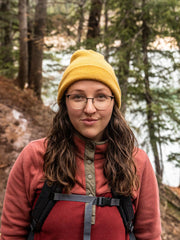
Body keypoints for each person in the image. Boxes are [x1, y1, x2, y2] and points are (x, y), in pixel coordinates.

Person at [0, 49, 161, 240]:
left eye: (101, 96)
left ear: (113, 103)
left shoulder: (137, 163)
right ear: (64, 103)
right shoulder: (34, 157)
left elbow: (149, 236)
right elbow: (12, 234)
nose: (90, 109)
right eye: (78, 97)